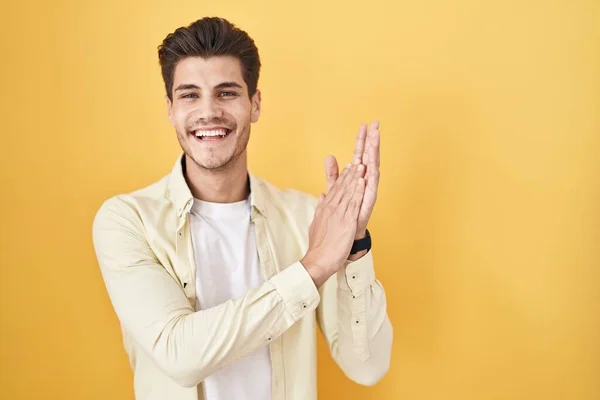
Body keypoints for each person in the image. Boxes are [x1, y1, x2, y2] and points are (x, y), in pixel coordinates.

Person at [92, 16, 393, 400]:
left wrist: (353, 245)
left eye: (226, 93)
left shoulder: (308, 219)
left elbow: (368, 366)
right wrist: (313, 267)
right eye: (189, 95)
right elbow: (180, 354)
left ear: (255, 104)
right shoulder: (127, 220)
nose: (209, 112)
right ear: (170, 109)